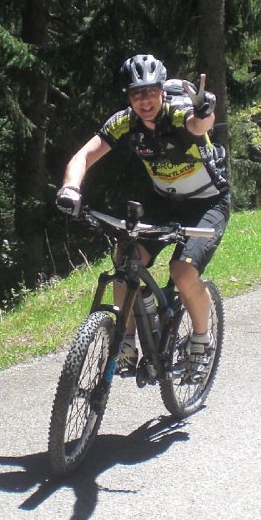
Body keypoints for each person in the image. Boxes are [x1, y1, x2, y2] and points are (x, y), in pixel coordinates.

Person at [55, 53, 230, 374]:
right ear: (129, 98)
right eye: (137, 94)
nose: (144, 100)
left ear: (162, 91)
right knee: (125, 259)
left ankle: (201, 340)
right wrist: (70, 188)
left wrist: (205, 112)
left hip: (208, 202)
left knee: (183, 272)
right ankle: (126, 341)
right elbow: (83, 157)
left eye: (150, 91)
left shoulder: (179, 112)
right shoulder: (125, 121)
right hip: (164, 201)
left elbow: (198, 125)